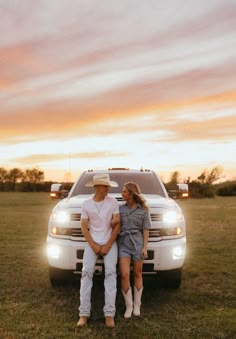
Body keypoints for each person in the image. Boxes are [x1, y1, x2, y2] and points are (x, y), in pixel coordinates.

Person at [77, 173, 120, 328]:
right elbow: (83, 226)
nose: (108, 188)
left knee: (110, 273)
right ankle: (83, 314)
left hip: (110, 242)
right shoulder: (86, 204)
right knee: (86, 273)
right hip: (92, 242)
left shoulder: (113, 202)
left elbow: (118, 225)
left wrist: (108, 244)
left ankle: (109, 314)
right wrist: (94, 245)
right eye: (105, 186)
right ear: (97, 187)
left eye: (108, 186)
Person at [118, 182, 151, 318]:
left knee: (137, 273)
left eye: (125, 192)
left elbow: (146, 230)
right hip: (124, 244)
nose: (122, 194)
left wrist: (144, 247)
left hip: (137, 244)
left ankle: (137, 305)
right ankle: (129, 306)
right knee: (125, 274)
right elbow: (116, 225)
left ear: (131, 194)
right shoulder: (121, 209)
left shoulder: (143, 210)